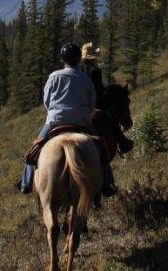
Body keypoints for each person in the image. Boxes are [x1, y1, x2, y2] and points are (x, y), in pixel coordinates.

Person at [18, 42, 117, 196]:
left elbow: (47, 101)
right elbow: (92, 102)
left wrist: (56, 111)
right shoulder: (85, 79)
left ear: (62, 59)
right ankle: (107, 183)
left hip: (55, 121)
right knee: (101, 149)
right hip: (82, 122)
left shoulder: (54, 76)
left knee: (34, 148)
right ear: (78, 59)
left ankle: (26, 183)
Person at [78, 43, 134, 155]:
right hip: (94, 103)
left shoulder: (79, 69)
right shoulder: (95, 71)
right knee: (110, 117)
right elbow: (98, 92)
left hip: (79, 104)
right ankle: (122, 142)